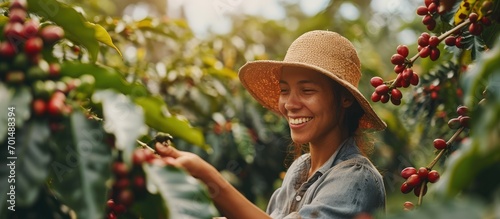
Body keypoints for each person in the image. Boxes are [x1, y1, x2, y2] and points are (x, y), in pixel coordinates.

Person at [155, 30, 387, 219]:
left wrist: (208, 177)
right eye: (285, 90)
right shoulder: (299, 170)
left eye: (307, 90)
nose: (290, 104)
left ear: (345, 99)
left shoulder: (358, 178)